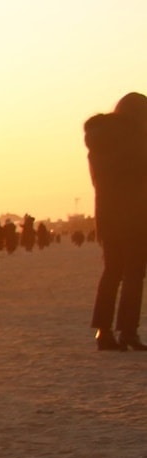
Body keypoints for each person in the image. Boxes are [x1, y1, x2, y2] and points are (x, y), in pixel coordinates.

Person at [85, 92, 147, 351]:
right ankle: (128, 332)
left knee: (111, 273)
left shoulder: (98, 142)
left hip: (108, 217)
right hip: (136, 217)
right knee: (134, 274)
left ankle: (103, 331)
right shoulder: (138, 140)